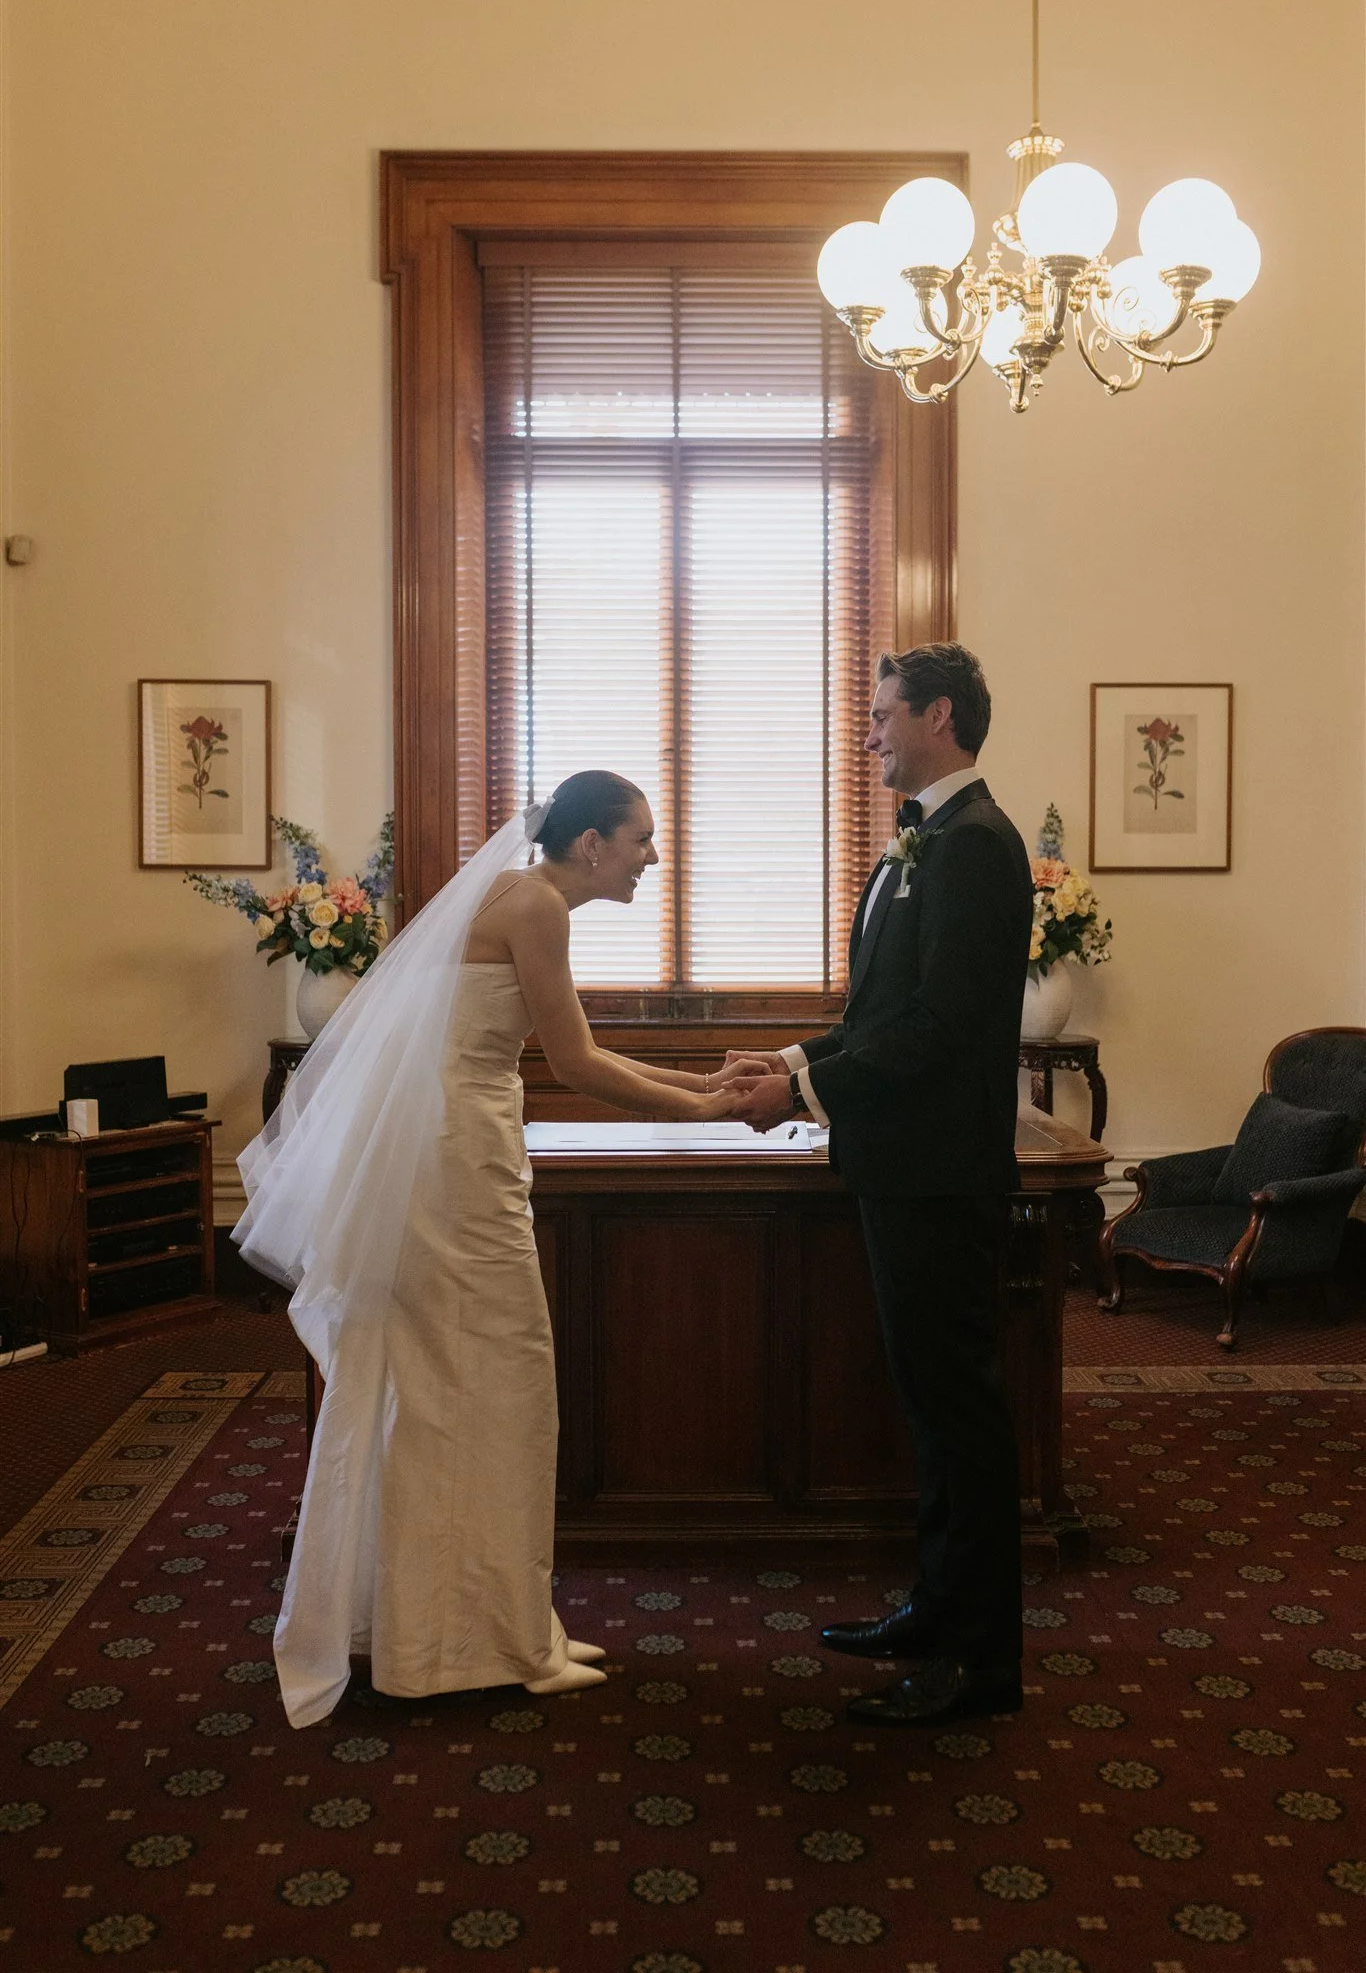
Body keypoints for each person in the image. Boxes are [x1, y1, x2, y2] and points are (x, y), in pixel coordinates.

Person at [234, 771, 744, 1728]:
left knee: (449, 1393)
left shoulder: (519, 895)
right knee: (494, 1389)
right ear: (591, 844)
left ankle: (478, 1628)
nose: (652, 856)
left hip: (450, 1156)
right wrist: (709, 1111)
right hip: (457, 1173)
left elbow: (572, 1048)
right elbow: (577, 1063)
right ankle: (476, 1643)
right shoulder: (537, 906)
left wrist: (703, 1084)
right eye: (641, 838)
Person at [730, 644, 1033, 1725]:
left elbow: (940, 1025)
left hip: (940, 1173)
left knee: (960, 1414)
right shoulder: (925, 839)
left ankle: (982, 1662)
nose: (867, 737)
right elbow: (880, 1014)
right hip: (902, 1168)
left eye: (880, 715)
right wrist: (791, 1061)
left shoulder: (977, 844)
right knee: (932, 1409)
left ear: (937, 715)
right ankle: (938, 1610)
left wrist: (800, 1091)